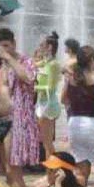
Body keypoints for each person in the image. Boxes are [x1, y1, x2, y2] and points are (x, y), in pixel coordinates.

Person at [0, 27, 39, 187]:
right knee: (5, 171)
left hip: (16, 122)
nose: (2, 50)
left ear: (14, 44)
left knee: (14, 170)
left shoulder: (25, 62)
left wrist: (9, 58)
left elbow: (29, 78)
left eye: (6, 45)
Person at [62, 45, 94, 187]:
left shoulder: (71, 79)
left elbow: (63, 100)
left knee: (81, 171)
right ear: (93, 60)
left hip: (75, 124)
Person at [33, 31, 62, 162]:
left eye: (42, 45)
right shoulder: (47, 62)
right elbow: (32, 65)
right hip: (44, 103)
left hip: (48, 105)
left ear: (49, 47)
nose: (39, 47)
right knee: (45, 142)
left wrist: (32, 88)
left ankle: (55, 168)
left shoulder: (53, 64)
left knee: (47, 142)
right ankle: (49, 170)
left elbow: (50, 88)